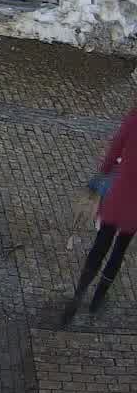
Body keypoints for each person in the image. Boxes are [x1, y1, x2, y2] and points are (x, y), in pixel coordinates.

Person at [64, 105, 137, 322]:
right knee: (120, 249)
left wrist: (102, 174)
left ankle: (79, 294)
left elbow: (115, 149)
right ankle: (98, 300)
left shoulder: (133, 119)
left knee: (101, 243)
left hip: (119, 191)